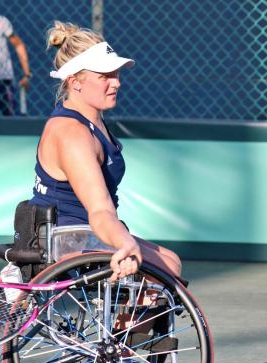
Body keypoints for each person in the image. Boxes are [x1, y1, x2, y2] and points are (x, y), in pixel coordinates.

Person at [29, 21, 182, 284]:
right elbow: (99, 209)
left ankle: (122, 325)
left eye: (117, 74)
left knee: (171, 262)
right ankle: (121, 325)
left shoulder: (91, 120)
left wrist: (121, 238)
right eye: (104, 76)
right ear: (75, 82)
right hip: (65, 238)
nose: (116, 83)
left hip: (86, 231)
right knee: (165, 270)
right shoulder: (72, 133)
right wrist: (125, 243)